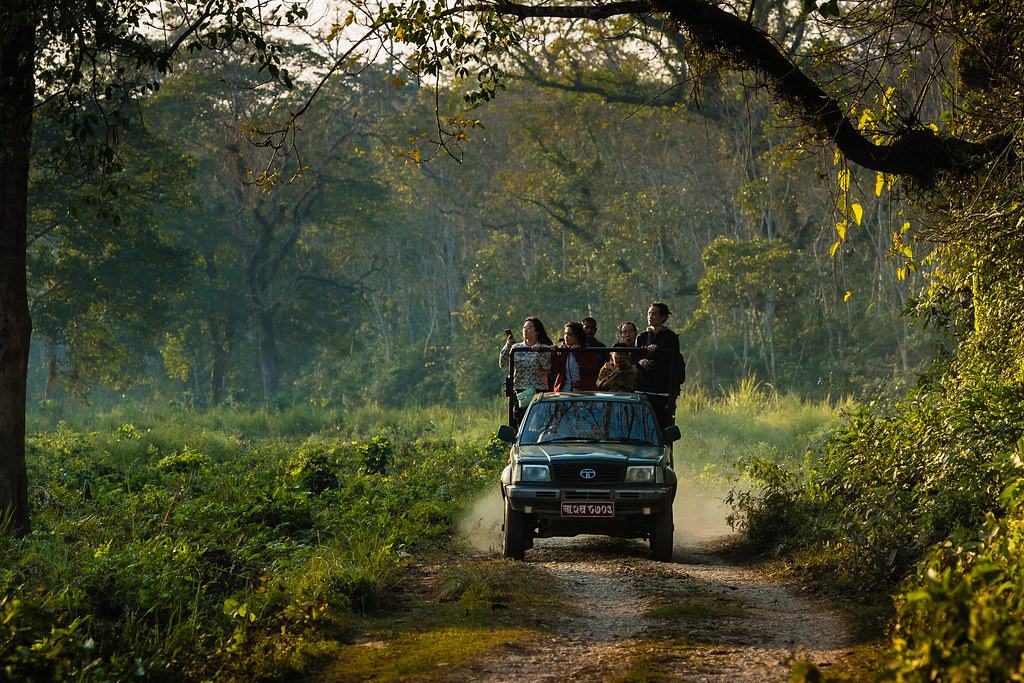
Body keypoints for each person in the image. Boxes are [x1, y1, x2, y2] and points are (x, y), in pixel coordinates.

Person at [500, 317, 554, 425]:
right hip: (521, 391)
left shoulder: (544, 347)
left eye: (529, 328)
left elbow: (547, 366)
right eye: (524, 327)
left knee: (539, 423)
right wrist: (507, 346)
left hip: (538, 391)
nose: (525, 330)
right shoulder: (516, 348)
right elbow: (503, 363)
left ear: (537, 331)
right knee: (521, 423)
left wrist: (539, 351)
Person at [636, 302, 681, 428]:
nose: (650, 316)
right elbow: (636, 356)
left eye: (654, 314)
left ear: (662, 317)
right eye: (649, 313)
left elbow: (674, 358)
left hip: (662, 389)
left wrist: (658, 351)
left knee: (661, 423)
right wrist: (641, 362)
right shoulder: (642, 336)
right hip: (643, 387)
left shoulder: (671, 337)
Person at [549, 321, 601, 392]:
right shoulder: (562, 351)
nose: (566, 337)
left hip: (583, 393)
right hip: (564, 391)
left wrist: (578, 354)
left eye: (570, 335)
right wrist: (554, 354)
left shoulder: (587, 351)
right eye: (565, 334)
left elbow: (590, 370)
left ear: (577, 336)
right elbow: (555, 370)